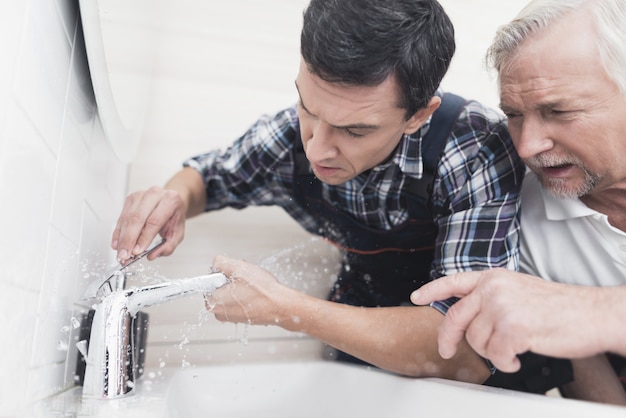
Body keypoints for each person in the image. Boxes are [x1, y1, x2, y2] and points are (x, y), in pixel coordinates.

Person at [112, 0, 528, 386]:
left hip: (472, 377)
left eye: (354, 131)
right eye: (308, 109)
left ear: (418, 116)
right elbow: (207, 178)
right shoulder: (290, 137)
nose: (317, 148)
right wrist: (172, 200)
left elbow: (466, 351)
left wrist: (283, 308)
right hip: (354, 340)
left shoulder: (475, 151)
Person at [411, 0, 626, 404]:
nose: (528, 145)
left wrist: (583, 309)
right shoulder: (517, 212)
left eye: (558, 111)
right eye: (514, 115)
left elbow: (570, 312)